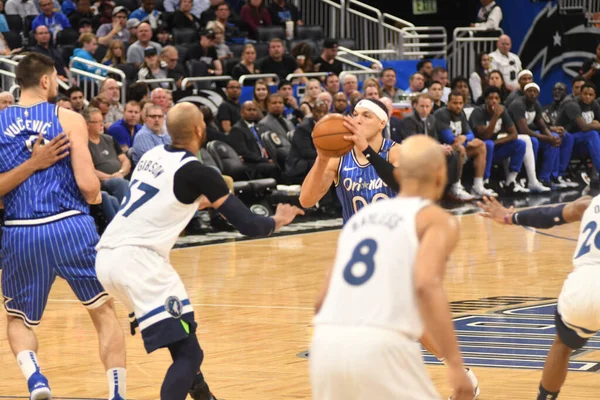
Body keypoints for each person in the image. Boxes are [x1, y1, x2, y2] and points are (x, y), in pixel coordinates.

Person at [95, 102, 304, 400]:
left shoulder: (152, 155)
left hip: (107, 255)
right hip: (139, 261)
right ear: (199, 129)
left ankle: (205, 396)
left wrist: (195, 202)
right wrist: (277, 220)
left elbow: (160, 199)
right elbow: (250, 225)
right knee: (190, 355)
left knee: (183, 336)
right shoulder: (199, 172)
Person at [0, 53, 126, 400]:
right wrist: (98, 199)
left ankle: (36, 379)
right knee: (103, 313)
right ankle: (118, 394)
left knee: (18, 320)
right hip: (70, 225)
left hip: (21, 230)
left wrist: (25, 171)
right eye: (55, 78)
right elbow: (88, 187)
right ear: (44, 81)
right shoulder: (68, 118)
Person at [311, 134, 473, 400]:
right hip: (382, 344)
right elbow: (426, 285)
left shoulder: (359, 220)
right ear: (440, 175)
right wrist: (456, 365)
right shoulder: (434, 219)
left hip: (326, 346)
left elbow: (320, 302)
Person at [476, 195, 598, 400]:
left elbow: (549, 216)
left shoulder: (590, 204)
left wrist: (510, 217)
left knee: (562, 344)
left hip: (581, 286)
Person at [299, 98, 401, 223]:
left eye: (366, 116)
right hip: (355, 239)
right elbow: (306, 201)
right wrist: (321, 159)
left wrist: (365, 149)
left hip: (393, 236)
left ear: (382, 123)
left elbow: (402, 186)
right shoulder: (338, 158)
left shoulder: (397, 153)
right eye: (355, 115)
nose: (358, 120)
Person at [435, 90, 497, 198]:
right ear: (448, 103)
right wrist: (467, 141)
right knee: (459, 149)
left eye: (460, 103)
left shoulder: (461, 114)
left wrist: (465, 138)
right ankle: (455, 188)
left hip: (457, 146)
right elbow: (449, 139)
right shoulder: (441, 114)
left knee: (481, 146)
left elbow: (470, 134)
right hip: (442, 151)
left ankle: (478, 186)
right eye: (455, 103)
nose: (458, 106)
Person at [508, 82, 570, 191]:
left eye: (535, 91)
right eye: (529, 91)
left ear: (538, 94)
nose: (532, 94)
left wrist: (552, 137)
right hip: (515, 135)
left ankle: (545, 178)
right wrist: (548, 138)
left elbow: (542, 126)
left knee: (554, 138)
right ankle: (528, 178)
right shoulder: (518, 104)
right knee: (534, 141)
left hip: (530, 134)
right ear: (524, 92)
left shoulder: (536, 104)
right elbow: (524, 130)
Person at [469, 86, 528, 194]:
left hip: (494, 148)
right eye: (491, 98)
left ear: (500, 100)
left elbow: (514, 134)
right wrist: (495, 116)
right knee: (489, 144)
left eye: (496, 98)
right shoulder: (478, 112)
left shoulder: (502, 110)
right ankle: (484, 181)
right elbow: (485, 136)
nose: (494, 101)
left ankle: (511, 181)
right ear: (486, 99)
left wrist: (497, 142)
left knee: (520, 144)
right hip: (478, 151)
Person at [285, 100, 327, 184]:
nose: (321, 115)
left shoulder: (327, 126)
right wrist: (328, 155)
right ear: (312, 112)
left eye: (324, 112)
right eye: (319, 112)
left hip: (314, 159)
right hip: (299, 164)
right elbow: (306, 153)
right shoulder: (304, 128)